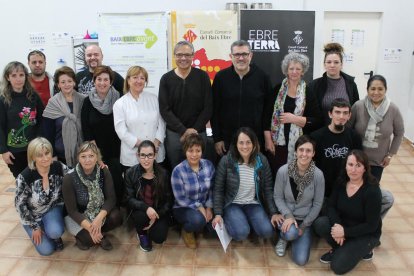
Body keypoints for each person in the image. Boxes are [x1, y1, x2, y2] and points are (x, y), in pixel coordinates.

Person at [314, 150, 382, 275]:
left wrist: (345, 232)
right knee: (320, 223)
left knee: (337, 267)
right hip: (344, 227)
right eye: (350, 165)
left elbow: (372, 225)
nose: (354, 170)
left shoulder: (372, 190)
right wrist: (338, 226)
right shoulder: (341, 182)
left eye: (358, 165)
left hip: (365, 234)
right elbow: (331, 206)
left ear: (365, 168)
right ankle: (343, 248)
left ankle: (365, 249)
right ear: (345, 166)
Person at [349, 75, 403, 219]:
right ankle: (354, 219)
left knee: (370, 193)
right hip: (357, 160)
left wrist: (391, 154)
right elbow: (348, 129)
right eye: (373, 88)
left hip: (378, 161)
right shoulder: (358, 106)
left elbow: (399, 132)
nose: (376, 92)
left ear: (386, 90)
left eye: (380, 89)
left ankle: (370, 221)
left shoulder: (393, 109)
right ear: (367, 90)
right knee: (354, 190)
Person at [213, 127, 276, 242]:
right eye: (241, 143)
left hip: (253, 203)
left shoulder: (262, 160)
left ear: (254, 143)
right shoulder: (226, 161)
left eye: (248, 142)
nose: (245, 146)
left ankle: (244, 221)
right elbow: (218, 189)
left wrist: (273, 212)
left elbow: (268, 189)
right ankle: (237, 221)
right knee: (241, 234)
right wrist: (218, 213)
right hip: (232, 204)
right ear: (236, 144)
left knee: (267, 231)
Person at [263, 52, 321, 177]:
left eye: (298, 69)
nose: (294, 71)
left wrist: (294, 119)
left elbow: (317, 120)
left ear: (303, 71)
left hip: (300, 145)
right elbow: (266, 116)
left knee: (296, 178)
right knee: (277, 175)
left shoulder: (308, 92)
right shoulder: (277, 89)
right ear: (286, 70)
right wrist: (268, 140)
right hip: (278, 143)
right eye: (291, 68)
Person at [212, 40, 272, 155]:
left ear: (251, 55)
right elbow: (215, 111)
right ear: (231, 56)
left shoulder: (262, 77)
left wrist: (263, 139)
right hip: (227, 141)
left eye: (244, 54)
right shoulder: (220, 78)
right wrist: (217, 138)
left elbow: (267, 111)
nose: (241, 58)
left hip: (254, 140)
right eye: (237, 55)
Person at [159, 40, 212, 170]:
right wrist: (183, 130)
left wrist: (194, 130)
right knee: (176, 169)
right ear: (174, 56)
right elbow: (164, 109)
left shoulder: (202, 77)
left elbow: (209, 106)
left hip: (199, 132)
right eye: (179, 54)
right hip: (175, 135)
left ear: (193, 56)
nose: (183, 58)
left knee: (199, 169)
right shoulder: (166, 79)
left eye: (188, 55)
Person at [273, 135, 324, 265]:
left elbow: (317, 204)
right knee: (290, 234)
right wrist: (288, 215)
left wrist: (304, 225)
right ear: (295, 152)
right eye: (301, 150)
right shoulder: (283, 171)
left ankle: (295, 235)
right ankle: (284, 238)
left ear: (313, 153)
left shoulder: (318, 175)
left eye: (308, 151)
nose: (304, 154)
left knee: (301, 261)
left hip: (305, 220)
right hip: (285, 216)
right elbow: (278, 197)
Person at [62, 141, 122, 251]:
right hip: (78, 216)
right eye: (83, 156)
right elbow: (72, 211)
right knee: (88, 241)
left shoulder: (104, 171)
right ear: (78, 158)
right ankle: (96, 236)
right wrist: (91, 228)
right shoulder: (69, 178)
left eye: (91, 156)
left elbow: (111, 199)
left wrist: (98, 219)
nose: (87, 160)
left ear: (97, 157)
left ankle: (99, 232)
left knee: (116, 217)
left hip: (97, 211)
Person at [15, 137, 68, 256]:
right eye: (40, 155)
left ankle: (54, 235)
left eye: (47, 153)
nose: (45, 158)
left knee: (55, 231)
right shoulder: (24, 177)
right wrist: (34, 227)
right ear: (33, 157)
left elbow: (74, 175)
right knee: (46, 251)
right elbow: (20, 206)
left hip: (52, 208)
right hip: (32, 216)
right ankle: (40, 228)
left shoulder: (58, 166)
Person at [81, 65, 123, 205]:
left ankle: (117, 206)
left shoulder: (119, 99)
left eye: (106, 79)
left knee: (117, 180)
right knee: (100, 183)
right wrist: (97, 157)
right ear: (94, 81)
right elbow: (86, 130)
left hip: (118, 150)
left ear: (111, 82)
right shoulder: (87, 102)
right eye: (99, 79)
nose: (102, 83)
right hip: (97, 151)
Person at [114, 66, 166, 173]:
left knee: (157, 186)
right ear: (128, 80)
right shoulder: (120, 104)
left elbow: (162, 123)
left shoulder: (154, 99)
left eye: (142, 78)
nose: (139, 81)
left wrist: (155, 143)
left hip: (156, 152)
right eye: (135, 77)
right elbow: (121, 131)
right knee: (135, 187)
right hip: (132, 156)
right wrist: (143, 147)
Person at [125, 140, 173, 252]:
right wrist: (146, 208)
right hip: (140, 211)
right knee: (140, 217)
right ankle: (142, 234)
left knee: (159, 238)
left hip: (158, 212)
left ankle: (151, 227)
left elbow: (168, 200)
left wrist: (156, 215)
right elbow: (129, 199)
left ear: (155, 155)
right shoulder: (130, 173)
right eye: (143, 155)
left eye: (150, 155)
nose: (146, 159)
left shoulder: (163, 173)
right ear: (138, 156)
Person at [310, 98, 362, 201]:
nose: (341, 117)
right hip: (322, 190)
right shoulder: (316, 137)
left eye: (345, 113)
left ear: (349, 116)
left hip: (345, 188)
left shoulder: (354, 137)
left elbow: (359, 164)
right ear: (330, 114)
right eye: (337, 112)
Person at [0, 61, 44, 177]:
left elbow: (42, 120)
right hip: (14, 151)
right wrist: (3, 151)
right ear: (7, 78)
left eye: (21, 75)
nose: (18, 79)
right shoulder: (3, 99)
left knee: (36, 179)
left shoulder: (33, 96)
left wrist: (40, 142)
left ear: (26, 76)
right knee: (22, 181)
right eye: (14, 75)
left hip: (34, 148)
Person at [171, 133, 215, 249]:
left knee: (214, 230)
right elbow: (180, 199)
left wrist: (209, 207)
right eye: (191, 151)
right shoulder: (178, 171)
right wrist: (199, 207)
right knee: (198, 221)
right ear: (185, 151)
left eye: (198, 150)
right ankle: (187, 231)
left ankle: (200, 224)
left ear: (202, 151)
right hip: (184, 207)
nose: (194, 154)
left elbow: (212, 189)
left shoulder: (208, 166)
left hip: (205, 205)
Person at [43, 66, 85, 167]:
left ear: (74, 82)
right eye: (63, 82)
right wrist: (52, 154)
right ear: (58, 85)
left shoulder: (83, 100)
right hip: (60, 155)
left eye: (69, 81)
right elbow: (48, 133)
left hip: (83, 153)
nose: (67, 85)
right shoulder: (53, 103)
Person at [308, 43, 359, 125]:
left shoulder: (350, 84)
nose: (332, 65)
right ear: (324, 65)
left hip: (344, 131)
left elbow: (355, 110)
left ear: (341, 65)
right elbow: (310, 112)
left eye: (336, 62)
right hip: (321, 131)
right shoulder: (315, 85)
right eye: (329, 62)